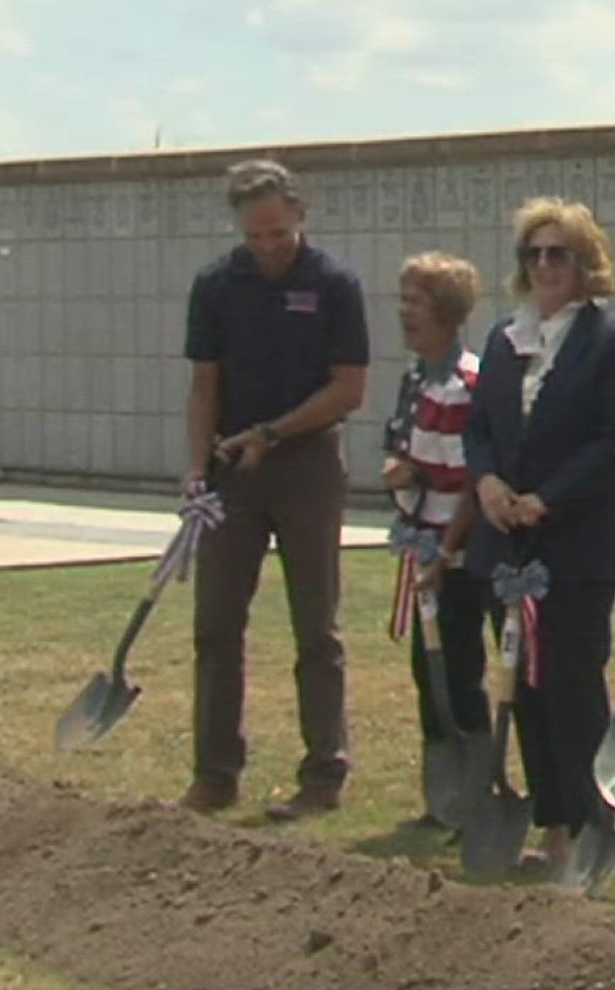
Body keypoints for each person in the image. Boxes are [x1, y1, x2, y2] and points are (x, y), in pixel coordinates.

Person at [177, 158, 369, 821]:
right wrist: (197, 468)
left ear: (300, 216)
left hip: (307, 463)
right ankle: (215, 773)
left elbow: (349, 387)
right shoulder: (215, 285)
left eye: (278, 235)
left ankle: (323, 773)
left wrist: (274, 431)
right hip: (233, 469)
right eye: (255, 237)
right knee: (216, 627)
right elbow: (204, 384)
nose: (267, 249)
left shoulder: (335, 285)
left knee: (315, 626)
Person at [463, 197, 615, 872]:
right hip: (505, 543)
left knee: (570, 687)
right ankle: (553, 823)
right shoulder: (504, 339)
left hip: (573, 549)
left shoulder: (610, 341)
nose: (544, 266)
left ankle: (595, 821)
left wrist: (548, 499)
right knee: (522, 688)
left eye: (558, 253)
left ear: (585, 262)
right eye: (533, 254)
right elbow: (479, 426)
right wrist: (486, 483)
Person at [382, 251, 489, 835]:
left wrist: (446, 552)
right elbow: (402, 446)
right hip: (423, 540)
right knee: (429, 668)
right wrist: (400, 469)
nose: (405, 313)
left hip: (457, 550)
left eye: (416, 302)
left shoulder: (463, 383)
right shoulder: (416, 377)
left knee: (457, 666)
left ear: (446, 312)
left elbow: (472, 479)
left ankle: (473, 793)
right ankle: (441, 798)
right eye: (404, 300)